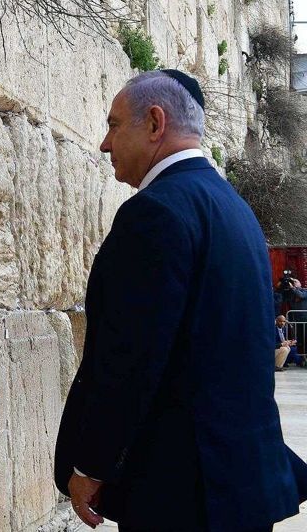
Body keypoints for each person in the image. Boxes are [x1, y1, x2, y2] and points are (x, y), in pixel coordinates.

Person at [54, 70, 307, 532]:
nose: (104, 144)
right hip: (238, 481)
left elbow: (129, 359)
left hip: (185, 489)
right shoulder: (232, 207)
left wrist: (91, 465)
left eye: (113, 125)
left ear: (154, 122)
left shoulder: (156, 212)